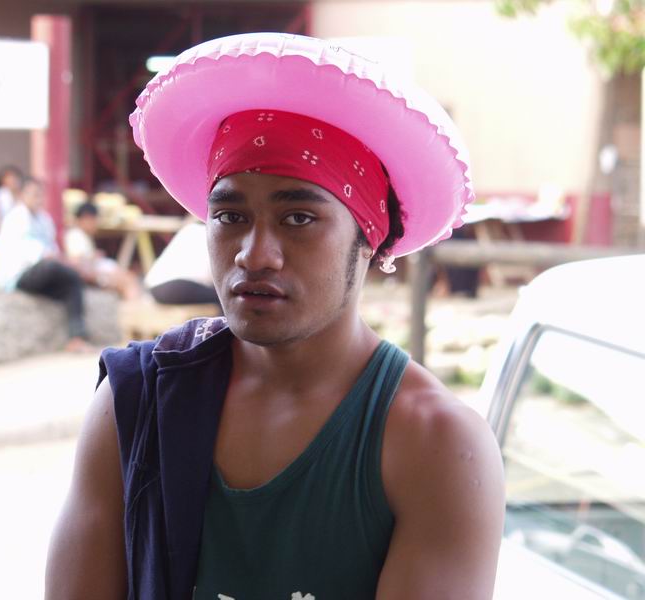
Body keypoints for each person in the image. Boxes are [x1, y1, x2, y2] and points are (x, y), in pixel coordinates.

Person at [45, 33, 504, 600]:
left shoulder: (434, 445)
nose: (253, 254)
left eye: (299, 219)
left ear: (371, 238)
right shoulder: (137, 404)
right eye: (231, 214)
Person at [0, 176, 92, 353]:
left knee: (72, 282)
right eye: (33, 194)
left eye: (40, 195)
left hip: (39, 272)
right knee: (59, 269)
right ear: (22, 195)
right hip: (18, 275)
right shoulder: (17, 218)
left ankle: (76, 338)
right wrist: (70, 263)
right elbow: (42, 256)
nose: (38, 199)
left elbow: (51, 251)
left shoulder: (44, 219)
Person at [64, 201, 141, 300]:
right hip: (93, 276)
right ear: (85, 219)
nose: (95, 224)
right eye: (93, 220)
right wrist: (94, 258)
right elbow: (76, 262)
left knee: (129, 279)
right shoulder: (75, 235)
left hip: (98, 272)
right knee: (127, 281)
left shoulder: (84, 235)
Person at [144, 220, 220, 307]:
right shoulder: (210, 234)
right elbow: (214, 274)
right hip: (177, 286)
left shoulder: (189, 229)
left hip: (155, 289)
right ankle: (229, 320)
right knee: (222, 296)